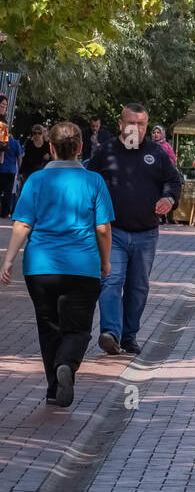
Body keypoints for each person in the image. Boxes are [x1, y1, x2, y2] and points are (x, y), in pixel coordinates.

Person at [0, 122, 114, 407]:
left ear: (50, 148)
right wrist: (105, 261)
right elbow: (102, 229)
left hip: (40, 267)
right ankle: (66, 365)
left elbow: (22, 223)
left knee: (48, 326)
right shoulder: (93, 181)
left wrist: (9, 259)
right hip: (82, 265)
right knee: (77, 329)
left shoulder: (36, 181)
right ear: (80, 148)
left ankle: (54, 389)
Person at [88, 103, 182, 355]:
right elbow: (88, 182)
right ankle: (110, 333)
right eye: (132, 123)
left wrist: (169, 198)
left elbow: (173, 180)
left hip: (146, 233)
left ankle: (128, 336)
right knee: (110, 280)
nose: (137, 129)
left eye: (141, 124)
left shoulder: (156, 153)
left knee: (138, 287)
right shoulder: (104, 152)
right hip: (113, 232)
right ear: (121, 124)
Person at [0, 121, 21, 218]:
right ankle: (5, 213)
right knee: (8, 192)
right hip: (11, 170)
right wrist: (19, 168)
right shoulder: (15, 143)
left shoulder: (2, 142)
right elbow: (19, 157)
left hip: (2, 169)